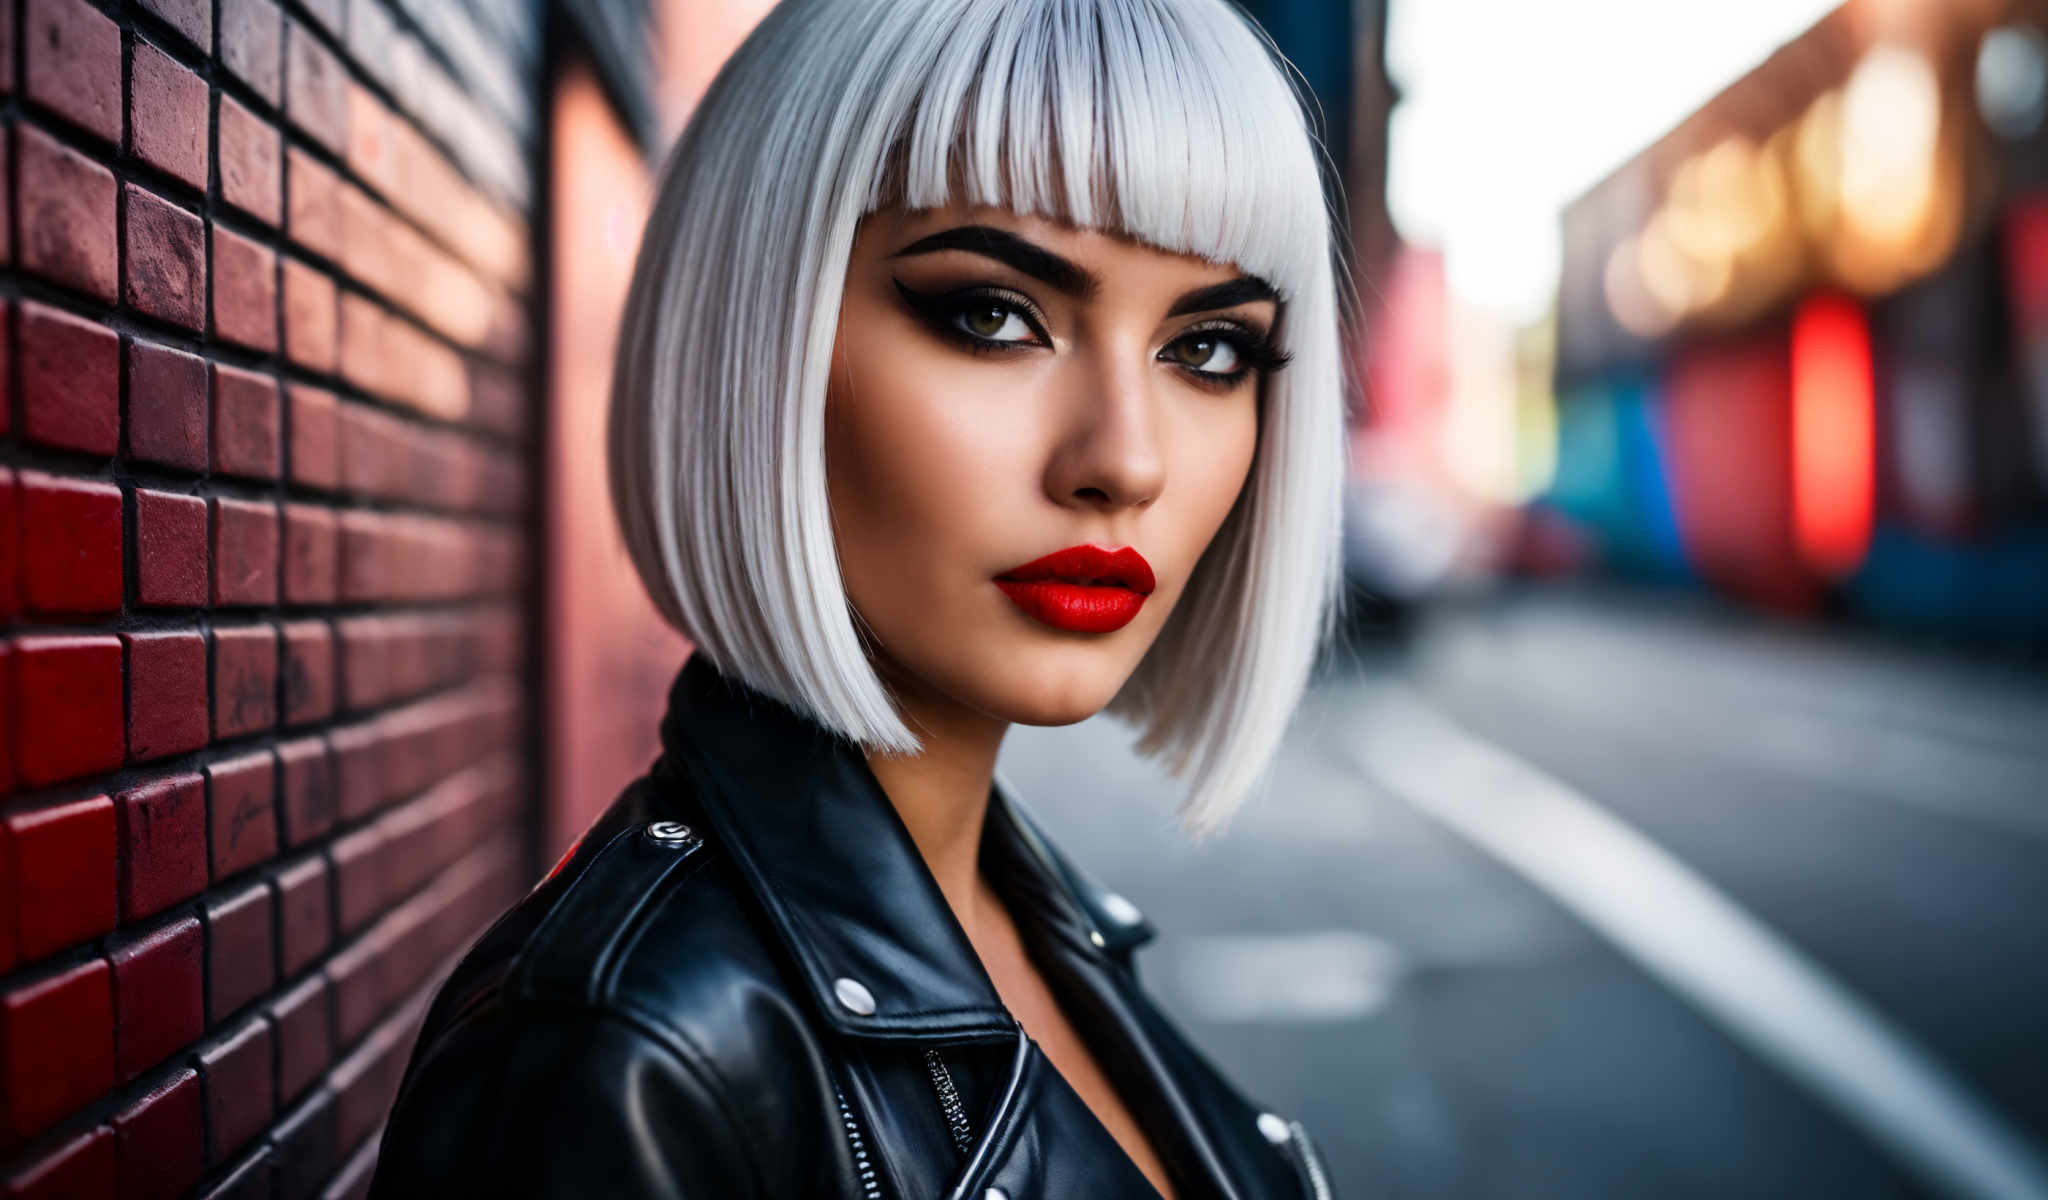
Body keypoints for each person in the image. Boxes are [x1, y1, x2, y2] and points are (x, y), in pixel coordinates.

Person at [367, 0, 1348, 1195]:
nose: (1126, 460)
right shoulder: (624, 1060)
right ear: (759, 333)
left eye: (1206, 350)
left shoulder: (1031, 914)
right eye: (993, 315)